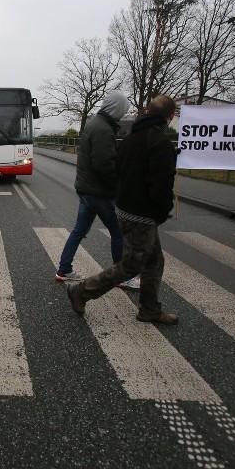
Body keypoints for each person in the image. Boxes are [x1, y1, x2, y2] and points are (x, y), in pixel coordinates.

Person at [65, 94, 179, 325]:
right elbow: (161, 185)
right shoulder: (159, 142)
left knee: (154, 261)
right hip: (142, 214)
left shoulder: (131, 137)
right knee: (131, 265)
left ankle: (149, 309)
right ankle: (82, 290)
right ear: (170, 116)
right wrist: (161, 211)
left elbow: (117, 170)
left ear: (147, 112)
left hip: (125, 208)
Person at [54, 90, 140, 290]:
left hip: (86, 189)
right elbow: (103, 165)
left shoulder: (94, 123)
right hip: (99, 191)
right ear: (117, 109)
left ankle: (64, 269)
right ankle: (122, 276)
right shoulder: (103, 129)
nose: (122, 114)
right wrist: (118, 187)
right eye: (122, 110)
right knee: (118, 232)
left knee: (78, 230)